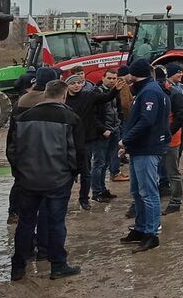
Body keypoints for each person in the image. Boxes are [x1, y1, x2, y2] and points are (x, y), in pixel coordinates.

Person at [7, 80, 81, 281]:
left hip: (28, 180)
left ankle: (18, 267)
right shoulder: (70, 118)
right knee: (56, 223)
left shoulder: (22, 118)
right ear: (64, 95)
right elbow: (76, 152)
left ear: (45, 94)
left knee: (25, 222)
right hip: (58, 180)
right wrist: (73, 174)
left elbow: (11, 150)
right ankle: (58, 265)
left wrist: (20, 173)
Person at [119, 59, 170, 252]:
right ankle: (140, 228)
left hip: (147, 148)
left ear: (134, 73)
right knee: (137, 191)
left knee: (148, 192)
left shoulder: (149, 91)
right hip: (139, 148)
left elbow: (146, 121)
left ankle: (151, 233)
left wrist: (125, 140)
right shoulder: (147, 89)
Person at [8, 65, 60, 224]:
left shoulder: (22, 101)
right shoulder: (51, 102)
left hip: (23, 153)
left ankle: (14, 212)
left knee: (19, 185)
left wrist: (13, 157)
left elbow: (12, 132)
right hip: (46, 156)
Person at [64, 73, 98, 210]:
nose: (77, 85)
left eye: (79, 83)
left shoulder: (87, 96)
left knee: (86, 171)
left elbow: (104, 99)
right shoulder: (64, 100)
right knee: (69, 172)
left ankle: (84, 198)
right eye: (73, 83)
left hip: (85, 140)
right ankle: (64, 198)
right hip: (68, 141)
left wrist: (115, 91)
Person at [162, 63, 183, 215]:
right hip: (160, 139)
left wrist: (168, 133)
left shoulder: (175, 92)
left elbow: (181, 117)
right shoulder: (165, 91)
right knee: (163, 170)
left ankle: (176, 201)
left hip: (171, 139)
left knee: (173, 170)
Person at [92, 69, 122, 201]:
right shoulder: (96, 93)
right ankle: (96, 192)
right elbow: (92, 116)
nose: (111, 81)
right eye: (109, 78)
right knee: (99, 163)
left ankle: (103, 189)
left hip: (114, 130)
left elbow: (117, 109)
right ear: (103, 78)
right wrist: (102, 129)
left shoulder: (116, 92)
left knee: (107, 162)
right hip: (102, 133)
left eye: (114, 78)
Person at [111, 65, 134, 182]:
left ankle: (115, 171)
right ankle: (115, 172)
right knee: (119, 146)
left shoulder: (117, 83)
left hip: (118, 119)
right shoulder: (123, 84)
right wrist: (130, 116)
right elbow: (125, 104)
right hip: (123, 119)